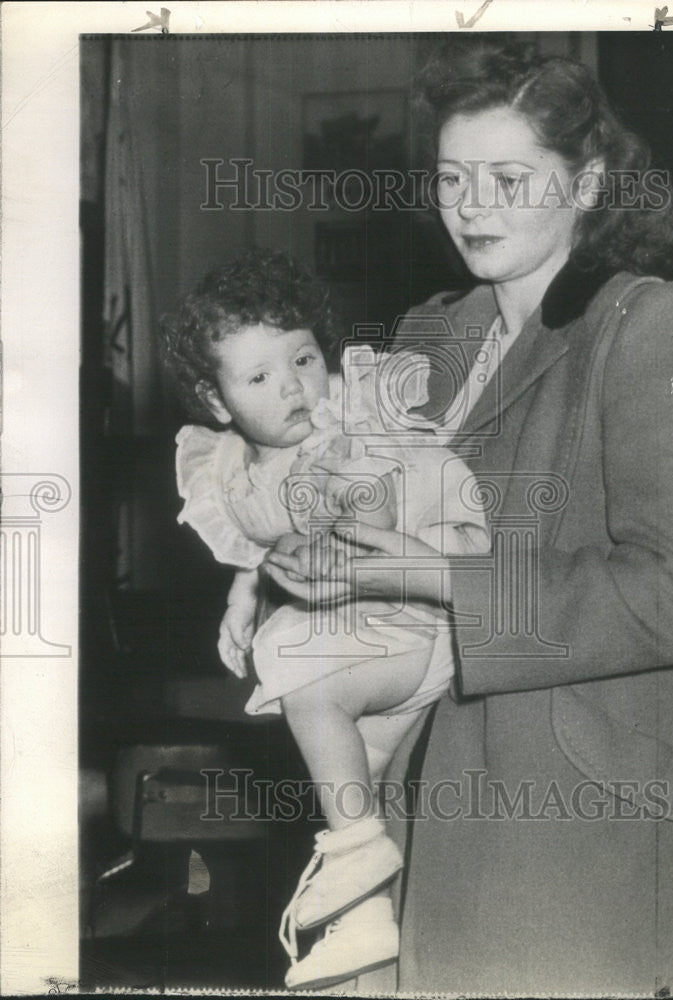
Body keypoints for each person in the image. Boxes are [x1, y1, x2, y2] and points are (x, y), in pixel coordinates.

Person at [264, 41, 673, 994]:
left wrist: (422, 574)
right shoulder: (430, 333)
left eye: (507, 178)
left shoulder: (658, 325)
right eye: (453, 179)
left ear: (588, 183)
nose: (471, 206)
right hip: (424, 788)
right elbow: (376, 501)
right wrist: (306, 551)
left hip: (580, 821)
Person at [160, 249, 489, 990]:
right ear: (218, 405)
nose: (293, 387)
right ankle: (359, 920)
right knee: (343, 781)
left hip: (414, 629)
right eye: (258, 378)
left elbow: (367, 513)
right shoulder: (233, 464)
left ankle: (354, 853)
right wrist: (242, 595)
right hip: (363, 661)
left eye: (303, 358)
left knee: (300, 670)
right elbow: (264, 540)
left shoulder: (350, 429)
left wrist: (319, 541)